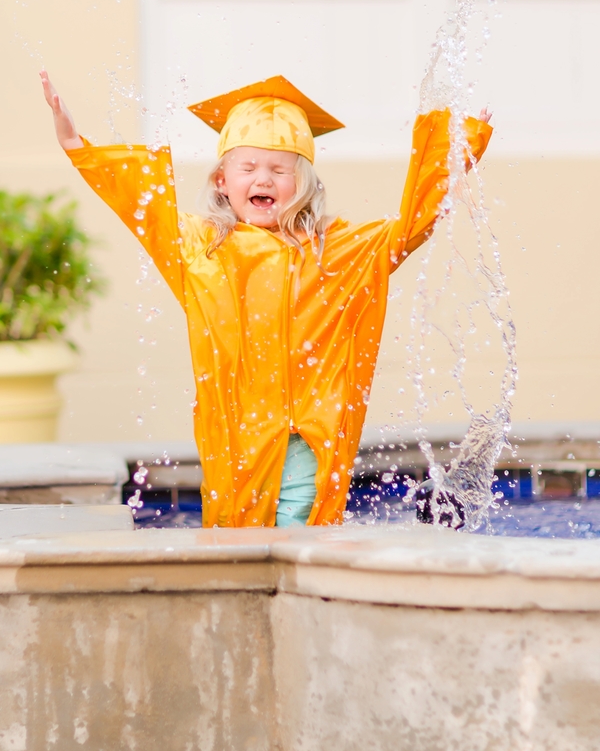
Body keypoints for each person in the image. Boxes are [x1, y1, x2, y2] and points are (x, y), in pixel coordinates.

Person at [41, 71, 492, 528]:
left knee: (301, 529)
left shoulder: (335, 249)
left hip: (311, 436)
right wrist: (75, 141)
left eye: (281, 170)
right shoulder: (202, 247)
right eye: (249, 168)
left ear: (305, 184)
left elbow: (410, 227)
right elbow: (141, 207)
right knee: (235, 533)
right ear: (221, 180)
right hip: (237, 432)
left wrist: (457, 150)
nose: (265, 179)